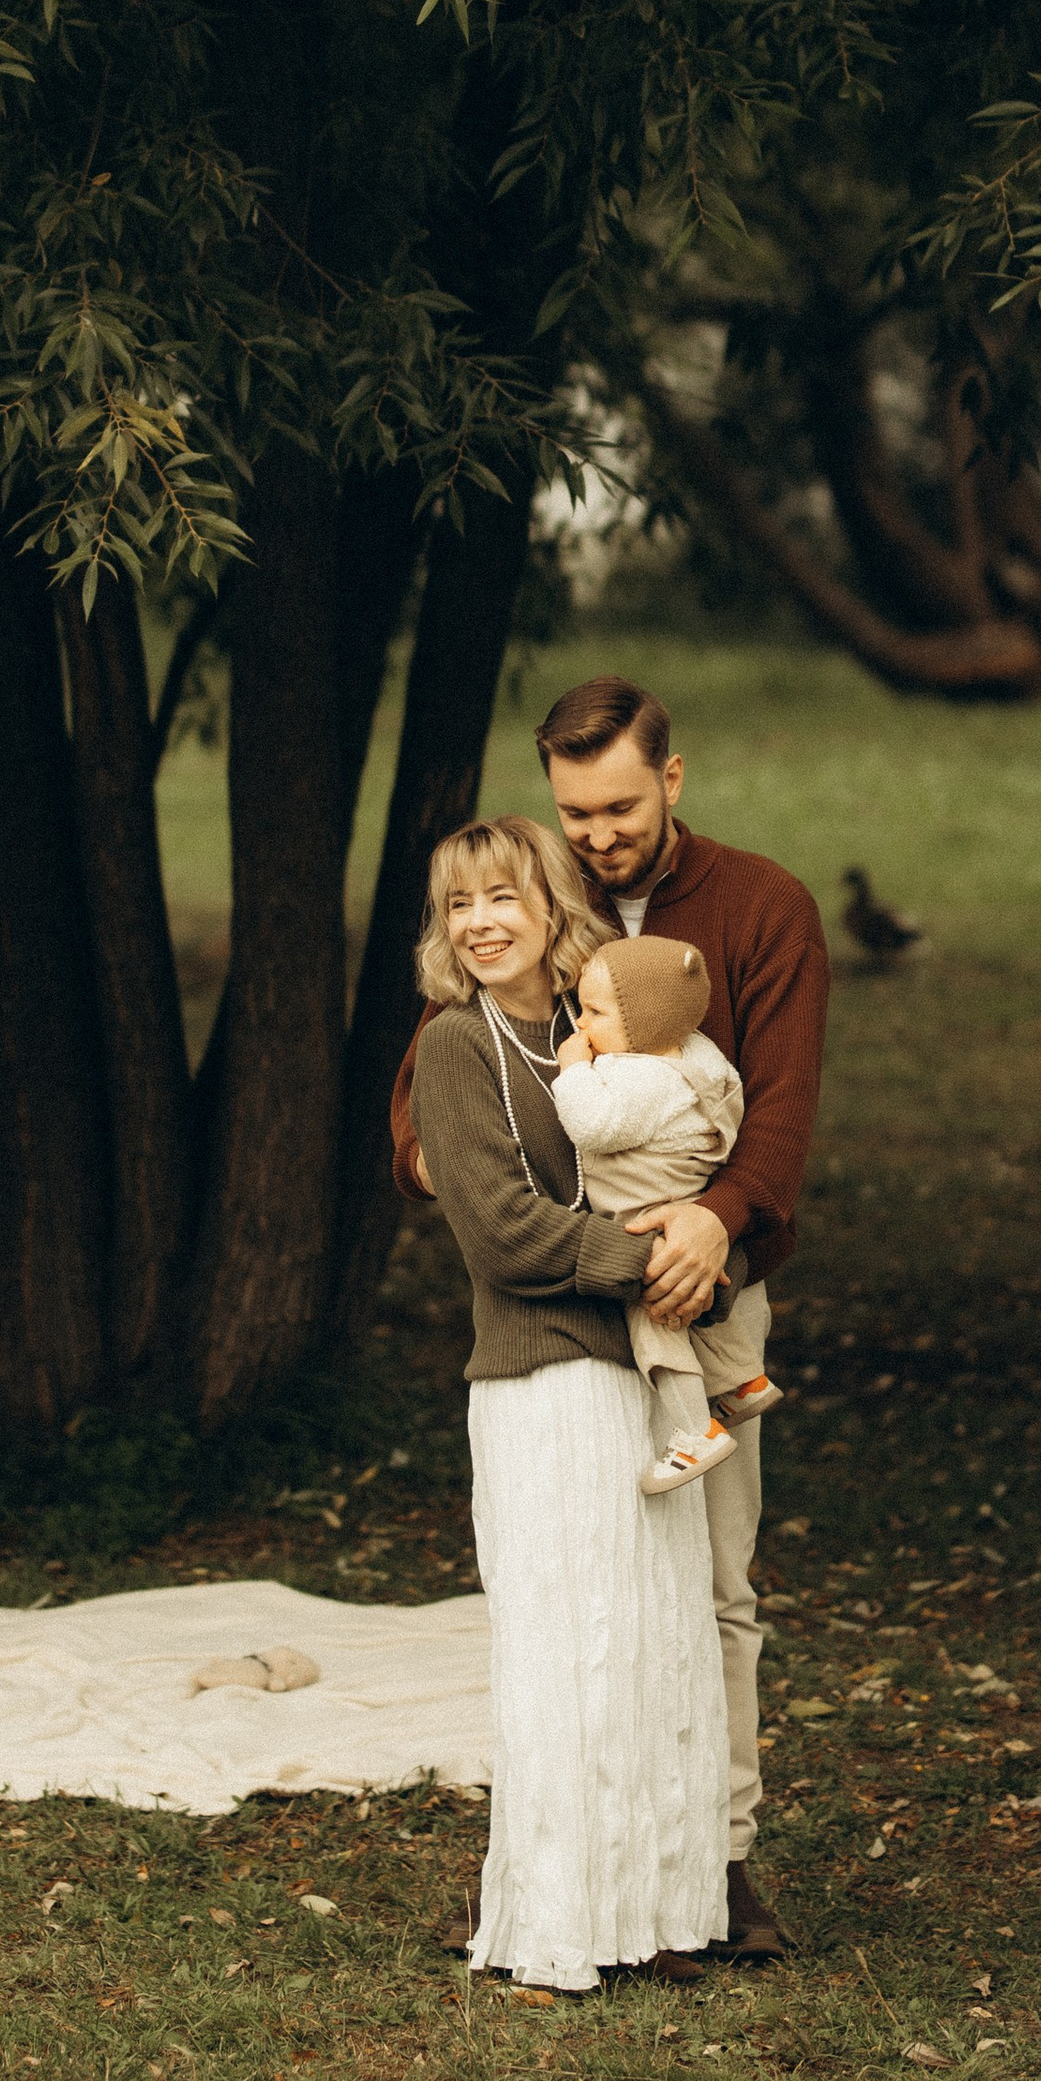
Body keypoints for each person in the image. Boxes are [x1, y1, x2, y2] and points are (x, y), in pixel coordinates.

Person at [392, 674, 828, 1962]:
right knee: (598, 1596)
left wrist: (718, 1220)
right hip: (582, 1306)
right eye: (576, 813)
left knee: (709, 1587)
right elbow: (445, 1087)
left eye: (622, 807)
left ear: (672, 780)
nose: (600, 835)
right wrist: (445, 1161)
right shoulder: (540, 903)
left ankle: (718, 1857)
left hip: (716, 1283)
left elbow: (784, 1106)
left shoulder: (758, 906)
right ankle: (575, 1854)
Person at [406, 815, 727, 1993]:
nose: (481, 923)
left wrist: (705, 1251)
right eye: (457, 907)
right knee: (565, 1654)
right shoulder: (456, 1047)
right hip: (543, 1378)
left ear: (550, 906)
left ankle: (651, 1916)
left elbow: (687, 1171)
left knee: (654, 1646)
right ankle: (558, 1927)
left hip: (648, 1376)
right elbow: (501, 1235)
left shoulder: (613, 1035)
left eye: (502, 897)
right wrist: (648, 1263)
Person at [553, 933, 785, 1497]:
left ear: (645, 1025)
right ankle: (741, 1381)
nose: (580, 1025)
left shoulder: (639, 1079)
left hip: (646, 1217)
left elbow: (591, 1125)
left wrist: (573, 1071)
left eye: (595, 1012)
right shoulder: (696, 1053)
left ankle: (693, 1429)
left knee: (656, 1317)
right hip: (683, 1198)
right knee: (697, 1298)